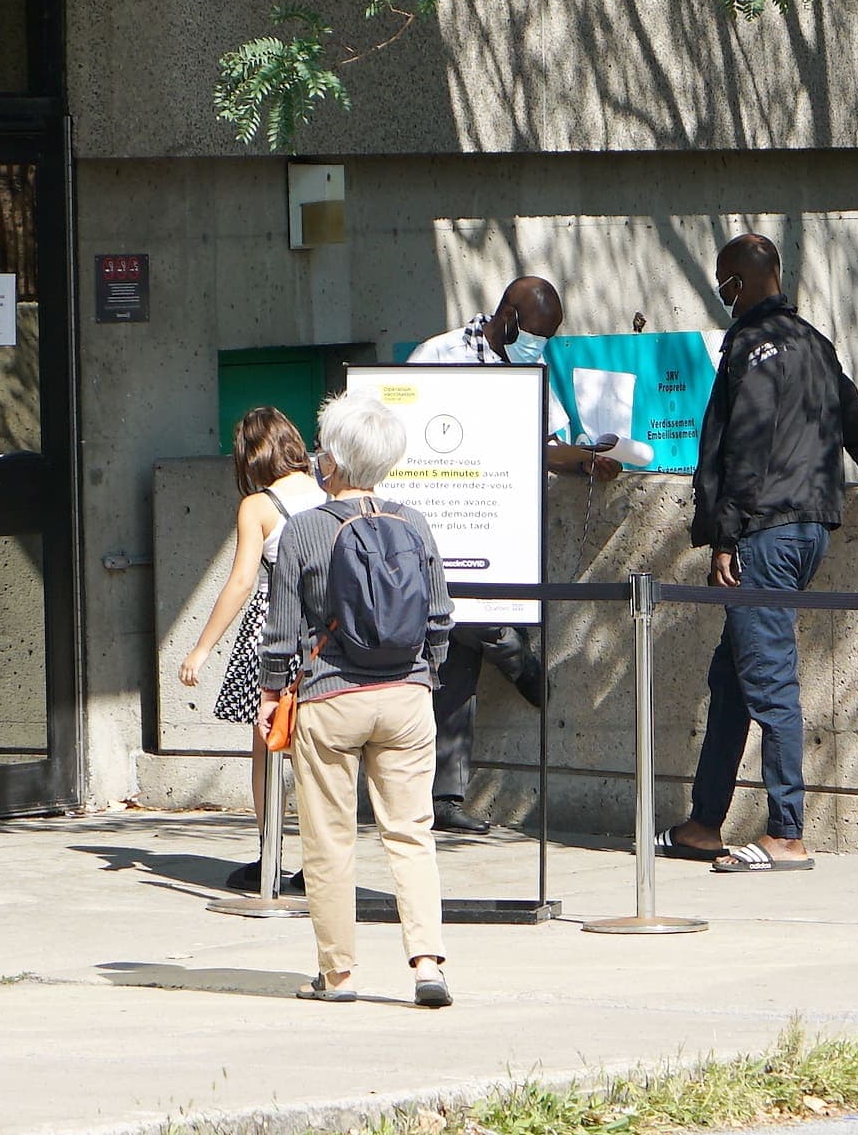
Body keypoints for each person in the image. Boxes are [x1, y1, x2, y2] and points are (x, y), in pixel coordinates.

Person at [662, 234, 858, 873]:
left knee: (767, 680)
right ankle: (704, 824)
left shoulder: (751, 347)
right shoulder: (816, 345)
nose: (723, 295)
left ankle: (787, 834)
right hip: (808, 529)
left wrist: (725, 536)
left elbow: (743, 446)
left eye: (723, 283)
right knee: (732, 676)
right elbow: (855, 423)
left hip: (763, 532)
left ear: (740, 282)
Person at [260, 391, 454, 1007]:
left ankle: (338, 974)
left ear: (334, 460)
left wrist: (270, 694)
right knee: (411, 832)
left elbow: (283, 632)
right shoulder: (413, 523)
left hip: (329, 697)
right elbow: (442, 617)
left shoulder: (304, 531)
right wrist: (425, 675)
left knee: (329, 838)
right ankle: (427, 966)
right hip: (406, 696)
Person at [406, 273, 592, 834]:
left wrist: (585, 459)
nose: (540, 346)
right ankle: (517, 657)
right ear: (507, 316)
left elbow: (546, 445)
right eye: (536, 333)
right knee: (471, 623)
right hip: (439, 526)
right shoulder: (435, 355)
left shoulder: (530, 368)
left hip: (498, 528)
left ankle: (444, 799)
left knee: (456, 660)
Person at [173, 407, 329, 895]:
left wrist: (200, 648)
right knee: (317, 750)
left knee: (266, 742)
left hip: (273, 625)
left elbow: (242, 581)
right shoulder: (328, 489)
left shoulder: (259, 505)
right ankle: (318, 860)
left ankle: (272, 856)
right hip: (325, 628)